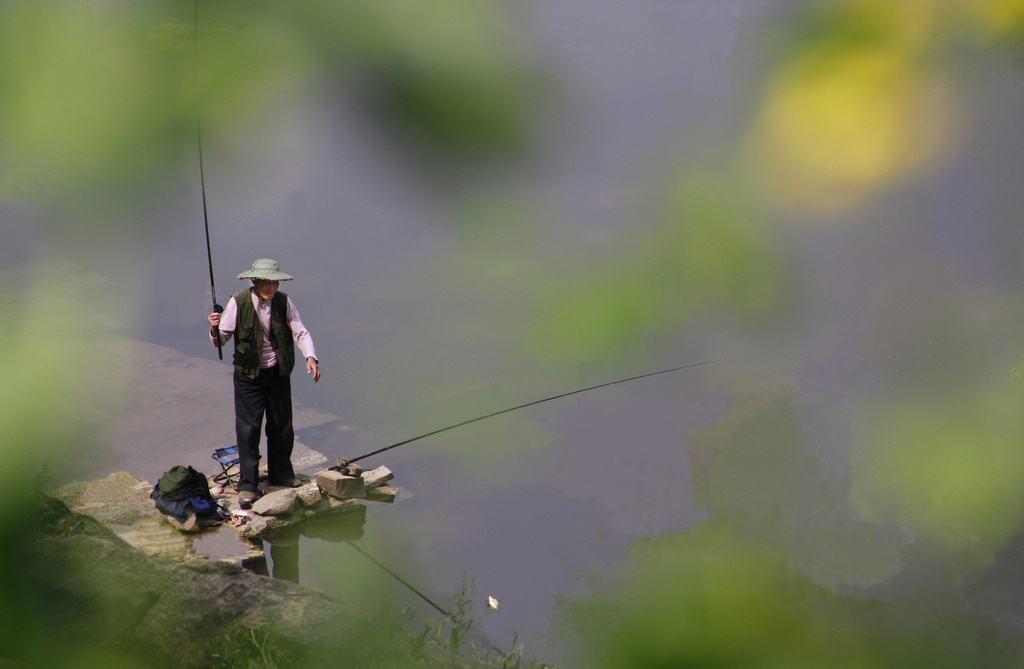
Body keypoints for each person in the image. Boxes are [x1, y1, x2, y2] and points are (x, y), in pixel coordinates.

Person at [208, 258, 321, 509]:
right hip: (249, 376)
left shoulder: (284, 301)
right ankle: (248, 484)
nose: (272, 287)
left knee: (282, 426)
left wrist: (310, 357)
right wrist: (214, 328)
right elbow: (222, 339)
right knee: (249, 430)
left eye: (275, 282)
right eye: (267, 282)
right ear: (255, 281)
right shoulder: (238, 302)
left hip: (278, 372)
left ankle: (282, 474)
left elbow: (300, 331)